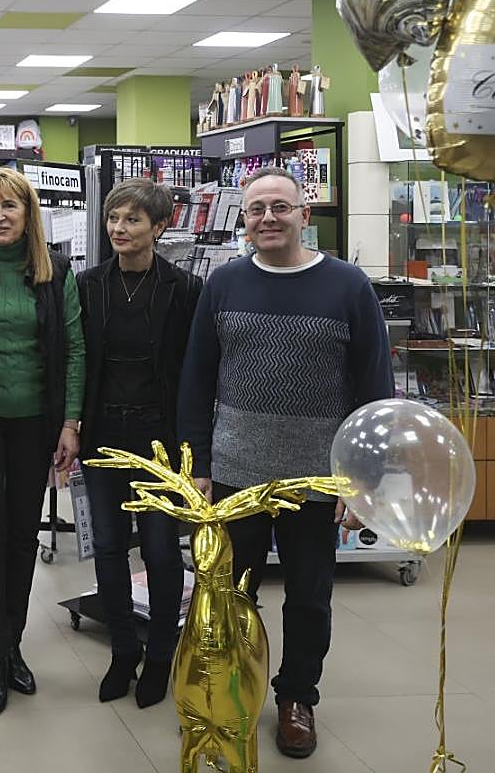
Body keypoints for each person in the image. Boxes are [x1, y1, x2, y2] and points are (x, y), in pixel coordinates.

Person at [178, 166, 393, 758]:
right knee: (228, 592)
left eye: (279, 207)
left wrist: (362, 483)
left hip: (318, 476)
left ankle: (297, 698)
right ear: (243, 221)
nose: (267, 218)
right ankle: (226, 692)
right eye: (255, 210)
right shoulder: (223, 284)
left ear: (305, 213)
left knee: (308, 595)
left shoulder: (349, 287)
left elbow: (377, 390)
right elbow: (196, 378)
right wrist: (196, 463)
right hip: (233, 470)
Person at [0, 167, 84, 716]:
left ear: (29, 214)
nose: (0, 216)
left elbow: (75, 348)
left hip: (36, 419)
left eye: (11, 207)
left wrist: (70, 424)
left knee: (21, 535)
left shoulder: (54, 272)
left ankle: (13, 645)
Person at [76, 178, 202, 708]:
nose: (119, 230)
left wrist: (197, 447)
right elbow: (77, 360)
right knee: (107, 544)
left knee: (158, 548)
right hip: (103, 432)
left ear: (159, 226)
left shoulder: (185, 289)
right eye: (113, 220)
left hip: (160, 439)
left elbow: (196, 373)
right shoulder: (87, 284)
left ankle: (160, 658)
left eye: (132, 220)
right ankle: (123, 651)